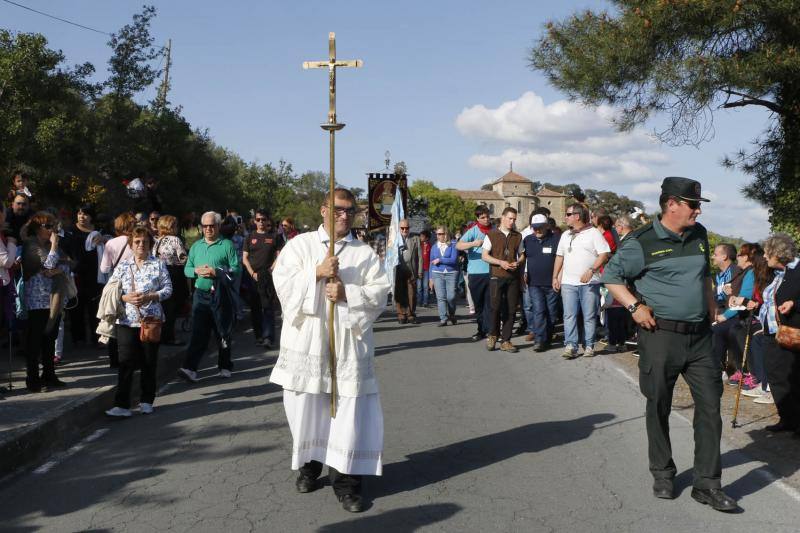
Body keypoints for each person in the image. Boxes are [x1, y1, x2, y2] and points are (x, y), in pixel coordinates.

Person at [602, 176, 737, 512]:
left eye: (698, 205)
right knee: (659, 403)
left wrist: (711, 308)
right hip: (660, 335)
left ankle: (706, 484)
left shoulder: (700, 234)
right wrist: (634, 306)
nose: (697, 211)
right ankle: (663, 472)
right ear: (671, 204)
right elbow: (611, 277)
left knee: (710, 408)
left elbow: (704, 275)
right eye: (693, 205)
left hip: (700, 338)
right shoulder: (641, 242)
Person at [270, 188, 390, 513]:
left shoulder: (364, 253)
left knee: (346, 414)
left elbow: (380, 293)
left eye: (350, 211)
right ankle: (309, 467)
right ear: (323, 210)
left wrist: (347, 293)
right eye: (337, 209)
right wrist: (316, 274)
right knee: (306, 408)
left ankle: (347, 483)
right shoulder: (299, 246)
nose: (344, 215)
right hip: (307, 342)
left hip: (347, 346)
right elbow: (281, 284)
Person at [105, 227, 172, 418]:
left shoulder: (158, 264)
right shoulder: (123, 266)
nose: (141, 245)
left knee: (148, 362)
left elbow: (168, 289)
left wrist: (151, 296)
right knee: (125, 362)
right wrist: (125, 298)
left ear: (150, 244)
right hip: (126, 321)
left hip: (151, 321)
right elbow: (112, 289)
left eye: (144, 241)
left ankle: (146, 400)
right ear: (131, 244)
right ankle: (122, 405)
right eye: (137, 241)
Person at [178, 211, 240, 383]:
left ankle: (225, 365)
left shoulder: (226, 245)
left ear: (218, 226)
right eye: (205, 226)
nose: (208, 229)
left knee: (222, 332)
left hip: (220, 294)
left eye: (211, 225)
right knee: (198, 332)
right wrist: (196, 271)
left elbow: (236, 268)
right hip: (201, 294)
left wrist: (216, 272)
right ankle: (190, 368)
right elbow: (187, 269)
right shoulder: (196, 247)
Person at [753, 234, 800, 433]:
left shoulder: (798, 270)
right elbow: (770, 300)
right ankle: (787, 418)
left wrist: (795, 304)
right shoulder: (779, 272)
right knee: (775, 376)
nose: (764, 256)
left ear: (778, 253)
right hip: (772, 332)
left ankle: (797, 421)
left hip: (792, 332)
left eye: (767, 252)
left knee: (793, 378)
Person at [553, 203, 610, 359]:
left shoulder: (594, 233)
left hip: (590, 283)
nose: (565, 217)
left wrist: (592, 270)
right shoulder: (565, 235)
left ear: (577, 216)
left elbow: (604, 254)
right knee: (569, 315)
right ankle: (570, 345)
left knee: (589, 315)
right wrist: (555, 276)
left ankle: (589, 345)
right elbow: (559, 256)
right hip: (568, 283)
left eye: (568, 214)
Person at [21, 212, 67, 392]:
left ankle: (49, 375)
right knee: (34, 341)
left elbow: (67, 263)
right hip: (36, 300)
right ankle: (32, 379)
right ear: (38, 228)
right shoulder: (31, 244)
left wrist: (57, 269)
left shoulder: (50, 245)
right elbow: (47, 265)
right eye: (48, 227)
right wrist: (54, 248)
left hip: (53, 299)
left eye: (53, 226)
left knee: (50, 339)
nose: (52, 230)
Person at [481, 207, 525, 353]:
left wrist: (517, 263)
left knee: (511, 309)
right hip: (496, 276)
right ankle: (493, 335)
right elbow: (484, 256)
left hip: (512, 277)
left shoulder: (517, 236)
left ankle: (506, 340)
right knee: (495, 308)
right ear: (503, 217)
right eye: (510, 218)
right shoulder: (491, 234)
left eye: (514, 219)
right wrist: (500, 262)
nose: (512, 222)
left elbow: (522, 255)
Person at [242, 209, 284, 347]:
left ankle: (268, 337)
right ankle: (259, 335)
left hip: (268, 276)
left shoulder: (275, 236)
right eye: (258, 219)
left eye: (263, 219)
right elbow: (245, 258)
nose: (261, 222)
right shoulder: (249, 237)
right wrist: (252, 273)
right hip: (253, 277)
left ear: (268, 221)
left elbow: (280, 255)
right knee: (255, 308)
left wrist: (272, 269)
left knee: (268, 307)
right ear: (255, 221)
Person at [100, 212, 136, 368]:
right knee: (133, 322)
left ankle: (115, 360)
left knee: (115, 321)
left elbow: (104, 268)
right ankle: (133, 358)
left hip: (116, 286)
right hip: (134, 284)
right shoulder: (137, 241)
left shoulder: (111, 243)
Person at [64, 204, 102, 347]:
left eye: (85, 214)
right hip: (76, 274)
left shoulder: (99, 232)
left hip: (95, 275)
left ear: (91, 216)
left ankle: (96, 337)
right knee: (76, 307)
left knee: (95, 307)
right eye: (79, 213)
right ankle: (78, 338)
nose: (82, 216)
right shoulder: (70, 232)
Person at [523, 214, 560, 352]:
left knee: (551, 312)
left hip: (552, 283)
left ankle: (547, 339)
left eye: (540, 228)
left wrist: (558, 278)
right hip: (534, 283)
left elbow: (561, 259)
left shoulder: (556, 239)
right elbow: (523, 258)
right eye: (534, 228)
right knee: (539, 311)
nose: (537, 231)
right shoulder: (527, 240)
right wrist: (524, 272)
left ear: (547, 226)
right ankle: (539, 340)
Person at [457, 206, 493, 341]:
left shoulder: (494, 231)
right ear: (477, 218)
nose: (486, 219)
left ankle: (490, 331)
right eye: (482, 217)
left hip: (491, 272)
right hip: (475, 273)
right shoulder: (472, 231)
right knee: (478, 304)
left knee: (490, 304)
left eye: (487, 216)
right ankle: (480, 330)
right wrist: (473, 243)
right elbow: (458, 245)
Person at [711, 243, 745, 377]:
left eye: (715, 254)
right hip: (720, 313)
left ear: (724, 256)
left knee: (716, 330)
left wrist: (722, 316)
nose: (712, 256)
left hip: (736, 315)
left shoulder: (736, 272)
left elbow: (736, 300)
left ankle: (719, 368)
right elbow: (715, 298)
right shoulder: (718, 276)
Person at [154, 215, 188, 345]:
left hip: (159, 275)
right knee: (173, 307)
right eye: (176, 225)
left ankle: (163, 334)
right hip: (174, 273)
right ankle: (169, 337)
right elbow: (183, 258)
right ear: (171, 226)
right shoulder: (175, 240)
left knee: (164, 306)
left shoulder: (157, 240)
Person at [429, 226, 459, 327]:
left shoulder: (453, 244)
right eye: (437, 234)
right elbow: (431, 263)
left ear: (446, 234)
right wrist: (430, 278)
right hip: (437, 273)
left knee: (451, 297)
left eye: (440, 234)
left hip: (451, 273)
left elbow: (454, 260)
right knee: (441, 297)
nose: (438, 236)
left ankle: (452, 314)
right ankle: (443, 318)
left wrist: (440, 260)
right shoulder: (434, 247)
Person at [394, 219, 420, 324]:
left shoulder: (415, 239)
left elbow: (420, 256)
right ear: (399, 228)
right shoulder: (394, 239)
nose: (405, 230)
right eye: (402, 228)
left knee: (411, 293)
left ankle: (410, 314)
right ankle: (401, 314)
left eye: (407, 228)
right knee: (399, 294)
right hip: (398, 270)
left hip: (411, 270)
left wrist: (420, 270)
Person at [417, 230, 432, 308]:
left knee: (425, 286)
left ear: (427, 238)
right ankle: (419, 301)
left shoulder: (430, 246)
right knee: (419, 286)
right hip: (419, 268)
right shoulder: (419, 245)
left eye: (422, 236)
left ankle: (425, 301)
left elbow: (431, 258)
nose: (421, 238)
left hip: (427, 268)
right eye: (420, 236)